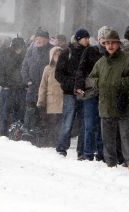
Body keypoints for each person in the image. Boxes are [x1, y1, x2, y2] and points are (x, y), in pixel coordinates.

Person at [89, 30, 129, 173]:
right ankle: (110, 164)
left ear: (118, 44)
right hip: (105, 105)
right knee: (107, 138)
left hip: (123, 104)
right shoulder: (101, 62)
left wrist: (121, 83)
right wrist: (99, 84)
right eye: (107, 43)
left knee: (126, 135)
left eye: (113, 42)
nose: (110, 46)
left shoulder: (128, 60)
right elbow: (92, 77)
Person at [74, 26, 111, 161]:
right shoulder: (90, 51)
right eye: (102, 38)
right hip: (90, 92)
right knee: (89, 124)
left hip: (105, 94)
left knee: (102, 125)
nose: (104, 40)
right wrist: (79, 86)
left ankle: (101, 153)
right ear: (99, 38)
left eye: (107, 38)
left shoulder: (112, 53)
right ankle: (87, 153)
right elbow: (81, 69)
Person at [55, 29, 90, 158]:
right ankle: (62, 148)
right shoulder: (67, 52)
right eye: (84, 38)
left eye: (88, 38)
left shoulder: (89, 53)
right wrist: (71, 84)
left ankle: (81, 151)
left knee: (83, 123)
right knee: (68, 121)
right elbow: (58, 73)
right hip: (70, 92)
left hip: (84, 92)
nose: (87, 40)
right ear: (78, 39)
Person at [21, 28, 53, 132]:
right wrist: (27, 80)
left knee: (43, 111)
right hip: (32, 86)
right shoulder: (31, 50)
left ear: (47, 40)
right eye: (37, 39)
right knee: (30, 108)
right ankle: (28, 131)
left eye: (42, 39)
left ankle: (41, 135)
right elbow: (24, 66)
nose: (39, 41)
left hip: (46, 87)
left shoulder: (52, 51)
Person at [0, 36, 26, 136]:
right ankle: (3, 134)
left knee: (18, 114)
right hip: (8, 89)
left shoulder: (25, 56)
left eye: (20, 48)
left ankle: (16, 135)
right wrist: (4, 84)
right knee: (5, 114)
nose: (19, 50)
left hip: (20, 89)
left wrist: (22, 84)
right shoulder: (5, 54)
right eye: (17, 48)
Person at [37, 46, 63, 147]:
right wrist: (40, 101)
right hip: (51, 101)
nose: (58, 56)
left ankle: (59, 142)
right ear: (52, 56)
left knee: (61, 124)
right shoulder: (48, 69)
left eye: (60, 54)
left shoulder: (66, 68)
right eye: (56, 54)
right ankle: (50, 141)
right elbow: (43, 86)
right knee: (51, 122)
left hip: (63, 101)